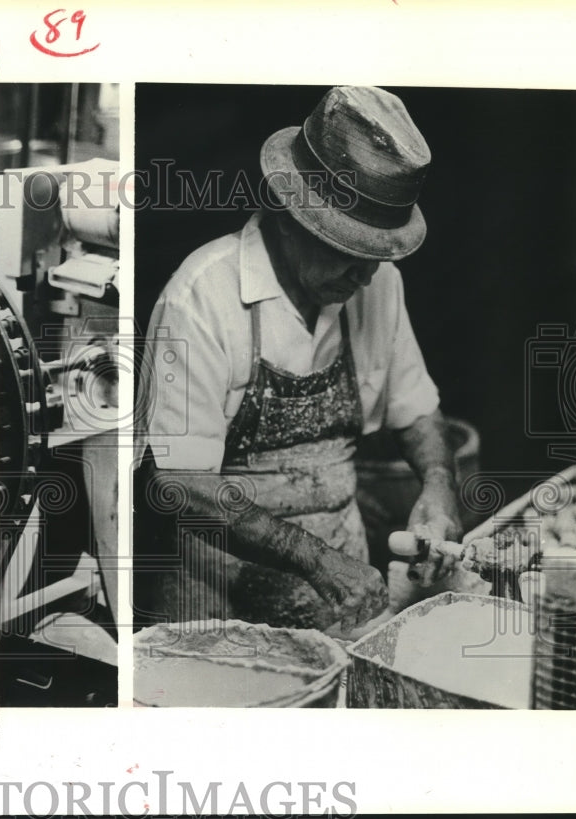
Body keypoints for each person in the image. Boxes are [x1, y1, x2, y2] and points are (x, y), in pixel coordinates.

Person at [137, 86, 463, 633]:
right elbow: (177, 483)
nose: (364, 275)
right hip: (217, 602)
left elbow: (418, 411)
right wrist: (314, 559)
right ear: (287, 214)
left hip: (342, 594)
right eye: (348, 250)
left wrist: (438, 484)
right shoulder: (202, 296)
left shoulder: (377, 284)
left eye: (376, 256)